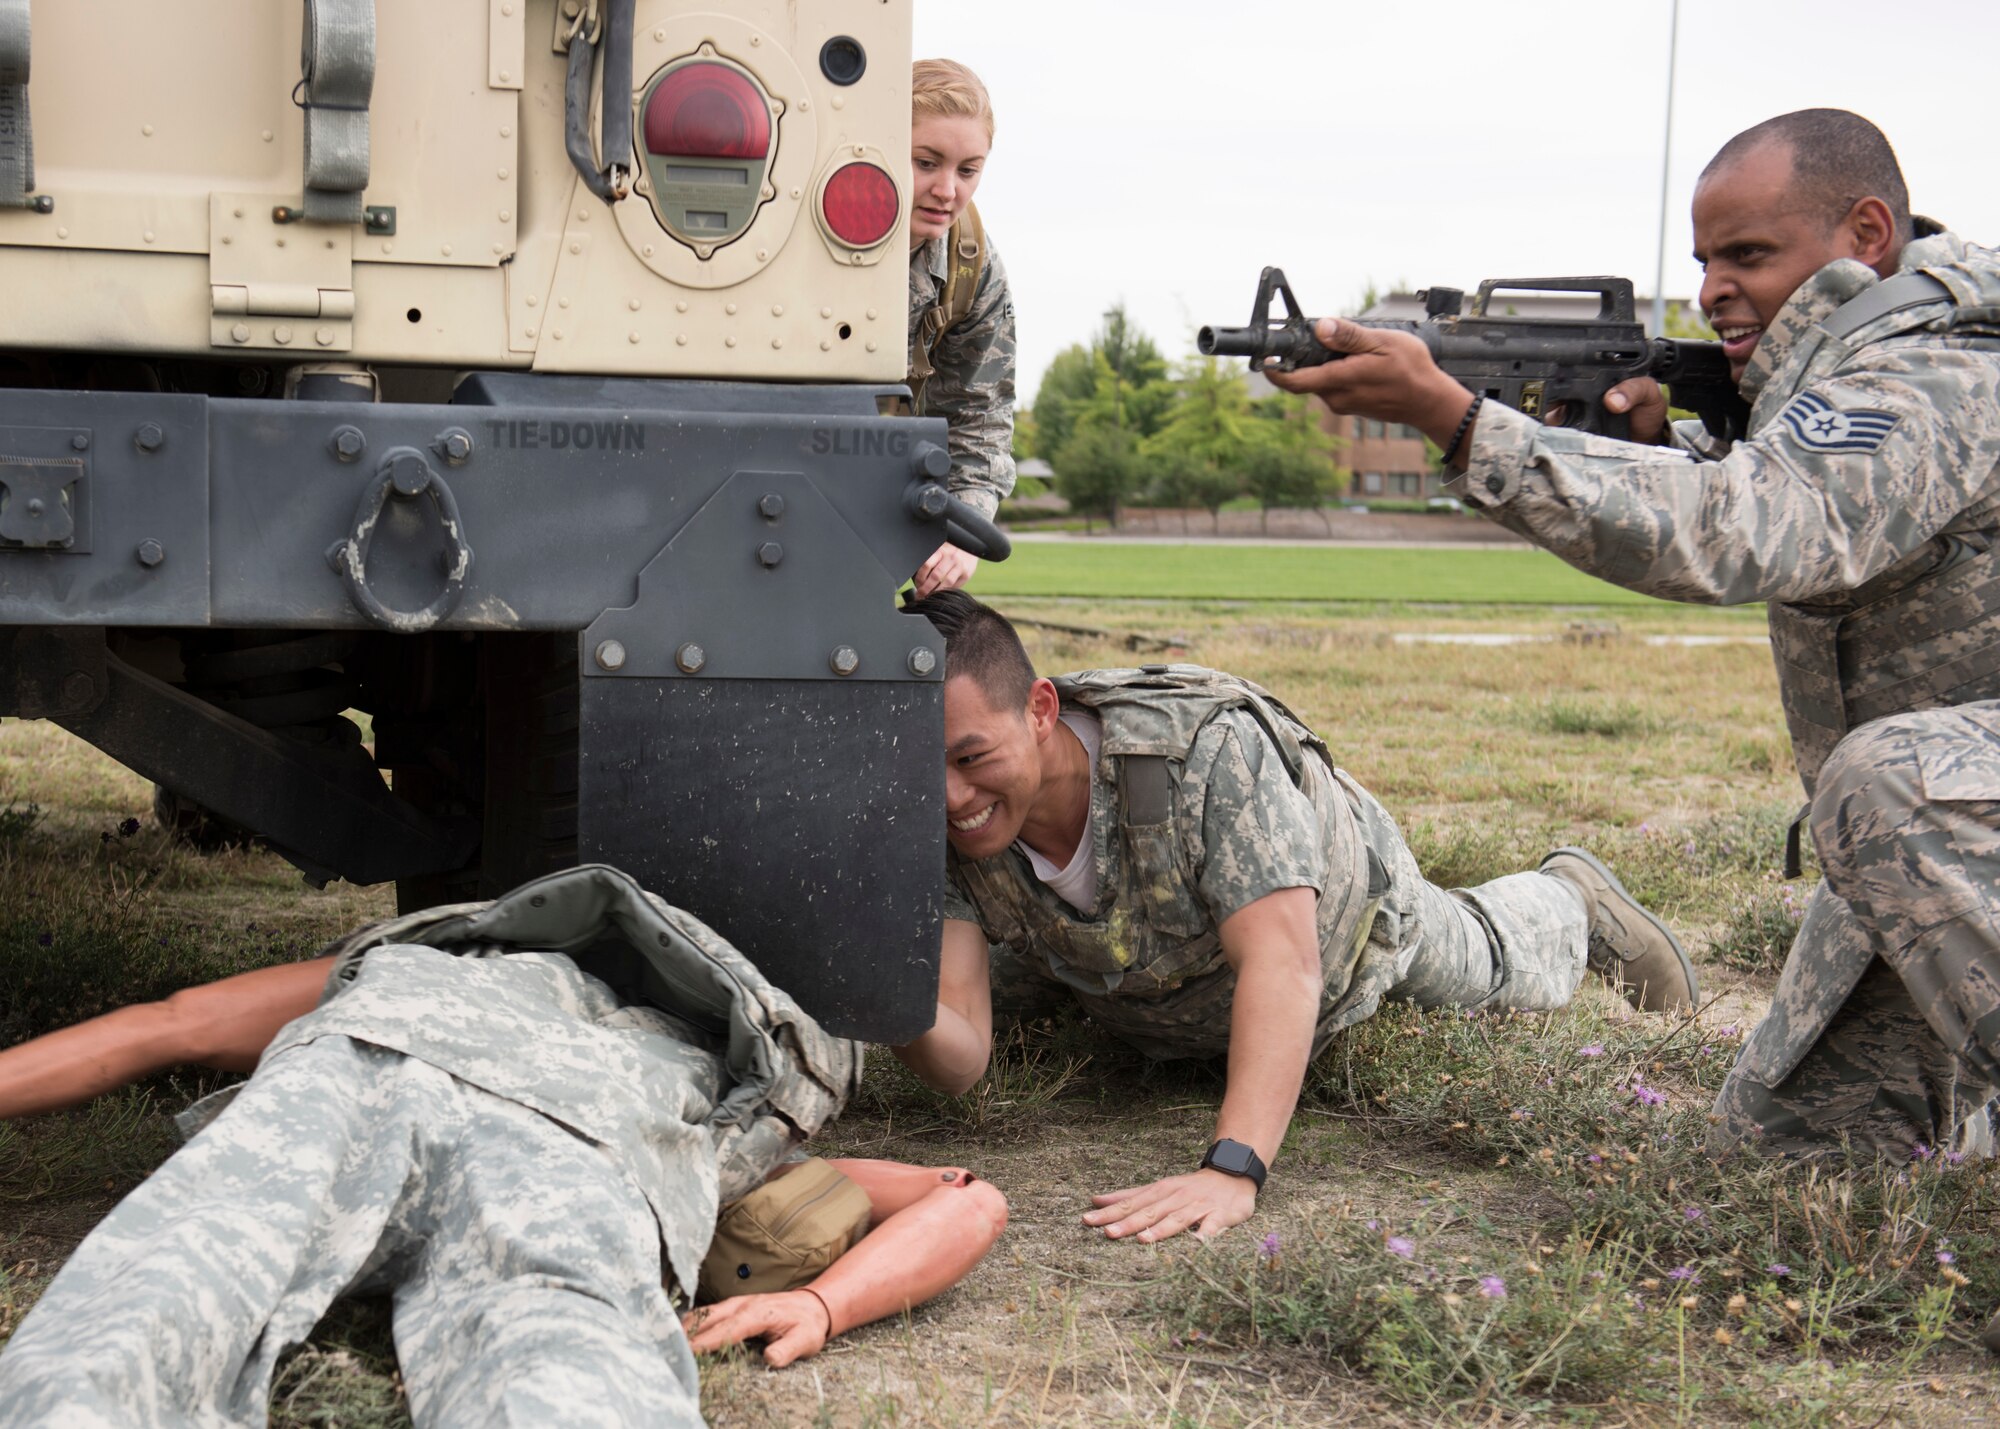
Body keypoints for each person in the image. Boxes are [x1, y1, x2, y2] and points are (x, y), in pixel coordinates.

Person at [1264, 109, 2000, 1162]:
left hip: (1934, 810)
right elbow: (1778, 484)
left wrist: (1463, 425)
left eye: (1747, 254)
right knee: (1788, 1148)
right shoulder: (1844, 376)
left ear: (1865, 233)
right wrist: (1657, 451)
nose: (1710, 289)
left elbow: (1757, 527)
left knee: (1885, 779)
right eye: (1703, 261)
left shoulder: (1938, 371)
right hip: (1955, 839)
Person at [0, 866, 1007, 1427]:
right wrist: (817, 1304)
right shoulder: (731, 1102)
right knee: (564, 1376)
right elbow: (966, 1199)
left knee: (161, 1290)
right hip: (580, 1152)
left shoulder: (442, 957)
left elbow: (161, 1024)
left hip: (386, 1061)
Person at [892, 591, 1695, 1246]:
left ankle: (1569, 896)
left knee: (1484, 963)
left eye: (970, 758)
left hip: (1345, 928)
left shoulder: (1203, 753)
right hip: (1131, 966)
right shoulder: (941, 827)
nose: (949, 796)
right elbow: (961, 1056)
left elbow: (1286, 965)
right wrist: (870, 986)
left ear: (1040, 709)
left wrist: (1232, 1168)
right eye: (917, 764)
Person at [905, 58, 1016, 598]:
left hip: (873, 479)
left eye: (967, 170)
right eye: (925, 162)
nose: (947, 190)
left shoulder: (971, 264)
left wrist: (964, 531)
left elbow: (980, 412)